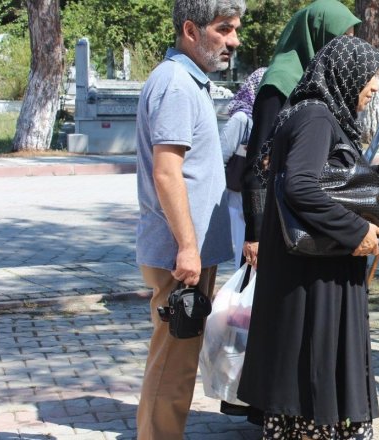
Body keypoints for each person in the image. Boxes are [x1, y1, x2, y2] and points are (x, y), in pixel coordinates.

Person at [236, 35, 379, 439]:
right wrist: (357, 231)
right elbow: (301, 187)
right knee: (314, 393)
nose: (375, 87)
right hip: (312, 281)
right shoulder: (315, 118)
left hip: (310, 276)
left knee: (307, 395)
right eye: (369, 77)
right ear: (345, 76)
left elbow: (341, 184)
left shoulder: (315, 113)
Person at [133, 0, 243, 438]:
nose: (233, 40)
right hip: (181, 256)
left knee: (175, 360)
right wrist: (188, 246)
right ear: (191, 31)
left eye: (235, 29)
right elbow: (166, 171)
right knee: (172, 366)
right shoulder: (177, 84)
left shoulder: (186, 81)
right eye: (224, 29)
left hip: (186, 251)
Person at [240, 0, 360, 269]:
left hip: (306, 224)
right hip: (278, 224)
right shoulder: (280, 84)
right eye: (342, 40)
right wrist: (256, 233)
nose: (347, 50)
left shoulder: (321, 85)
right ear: (320, 38)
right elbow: (258, 162)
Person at [221, 67, 266, 266]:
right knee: (244, 246)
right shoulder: (241, 119)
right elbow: (220, 156)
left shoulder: (266, 118)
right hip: (237, 196)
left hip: (257, 195)